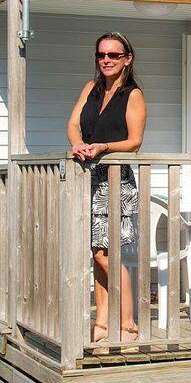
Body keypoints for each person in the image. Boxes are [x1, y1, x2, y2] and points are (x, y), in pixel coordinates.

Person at [67, 32, 147, 343]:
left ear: (127, 59)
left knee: (107, 253)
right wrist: (79, 146)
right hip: (87, 176)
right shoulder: (91, 88)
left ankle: (127, 322)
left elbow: (135, 141)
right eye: (101, 55)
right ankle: (102, 321)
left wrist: (102, 147)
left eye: (114, 55)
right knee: (96, 251)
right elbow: (73, 123)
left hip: (115, 178)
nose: (106, 60)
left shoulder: (133, 95)